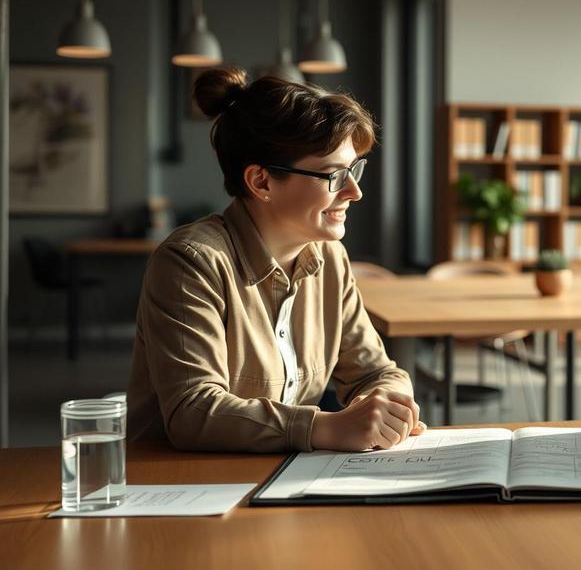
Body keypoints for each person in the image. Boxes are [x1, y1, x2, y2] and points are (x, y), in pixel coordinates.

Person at [127, 68, 424, 453]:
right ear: (261, 182)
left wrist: (388, 404)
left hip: (282, 477)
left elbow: (376, 371)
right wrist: (325, 428)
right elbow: (193, 411)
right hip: (180, 486)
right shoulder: (191, 262)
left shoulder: (329, 258)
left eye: (355, 170)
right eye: (334, 175)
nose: (355, 192)